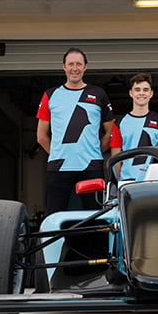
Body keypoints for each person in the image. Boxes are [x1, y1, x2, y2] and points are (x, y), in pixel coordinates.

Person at [36, 47, 114, 214]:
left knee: (96, 218)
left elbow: (110, 132)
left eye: (79, 64)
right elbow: (41, 136)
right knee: (53, 218)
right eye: (71, 64)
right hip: (59, 166)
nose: (75, 68)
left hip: (91, 165)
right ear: (64, 67)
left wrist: (95, 151)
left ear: (85, 67)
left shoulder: (98, 94)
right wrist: (57, 152)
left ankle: (93, 242)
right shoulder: (50, 95)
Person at [109, 73, 158, 180]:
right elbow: (115, 158)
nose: (141, 93)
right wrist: (118, 182)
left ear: (151, 93)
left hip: (154, 179)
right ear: (131, 93)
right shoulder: (120, 123)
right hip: (128, 179)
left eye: (145, 90)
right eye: (137, 89)